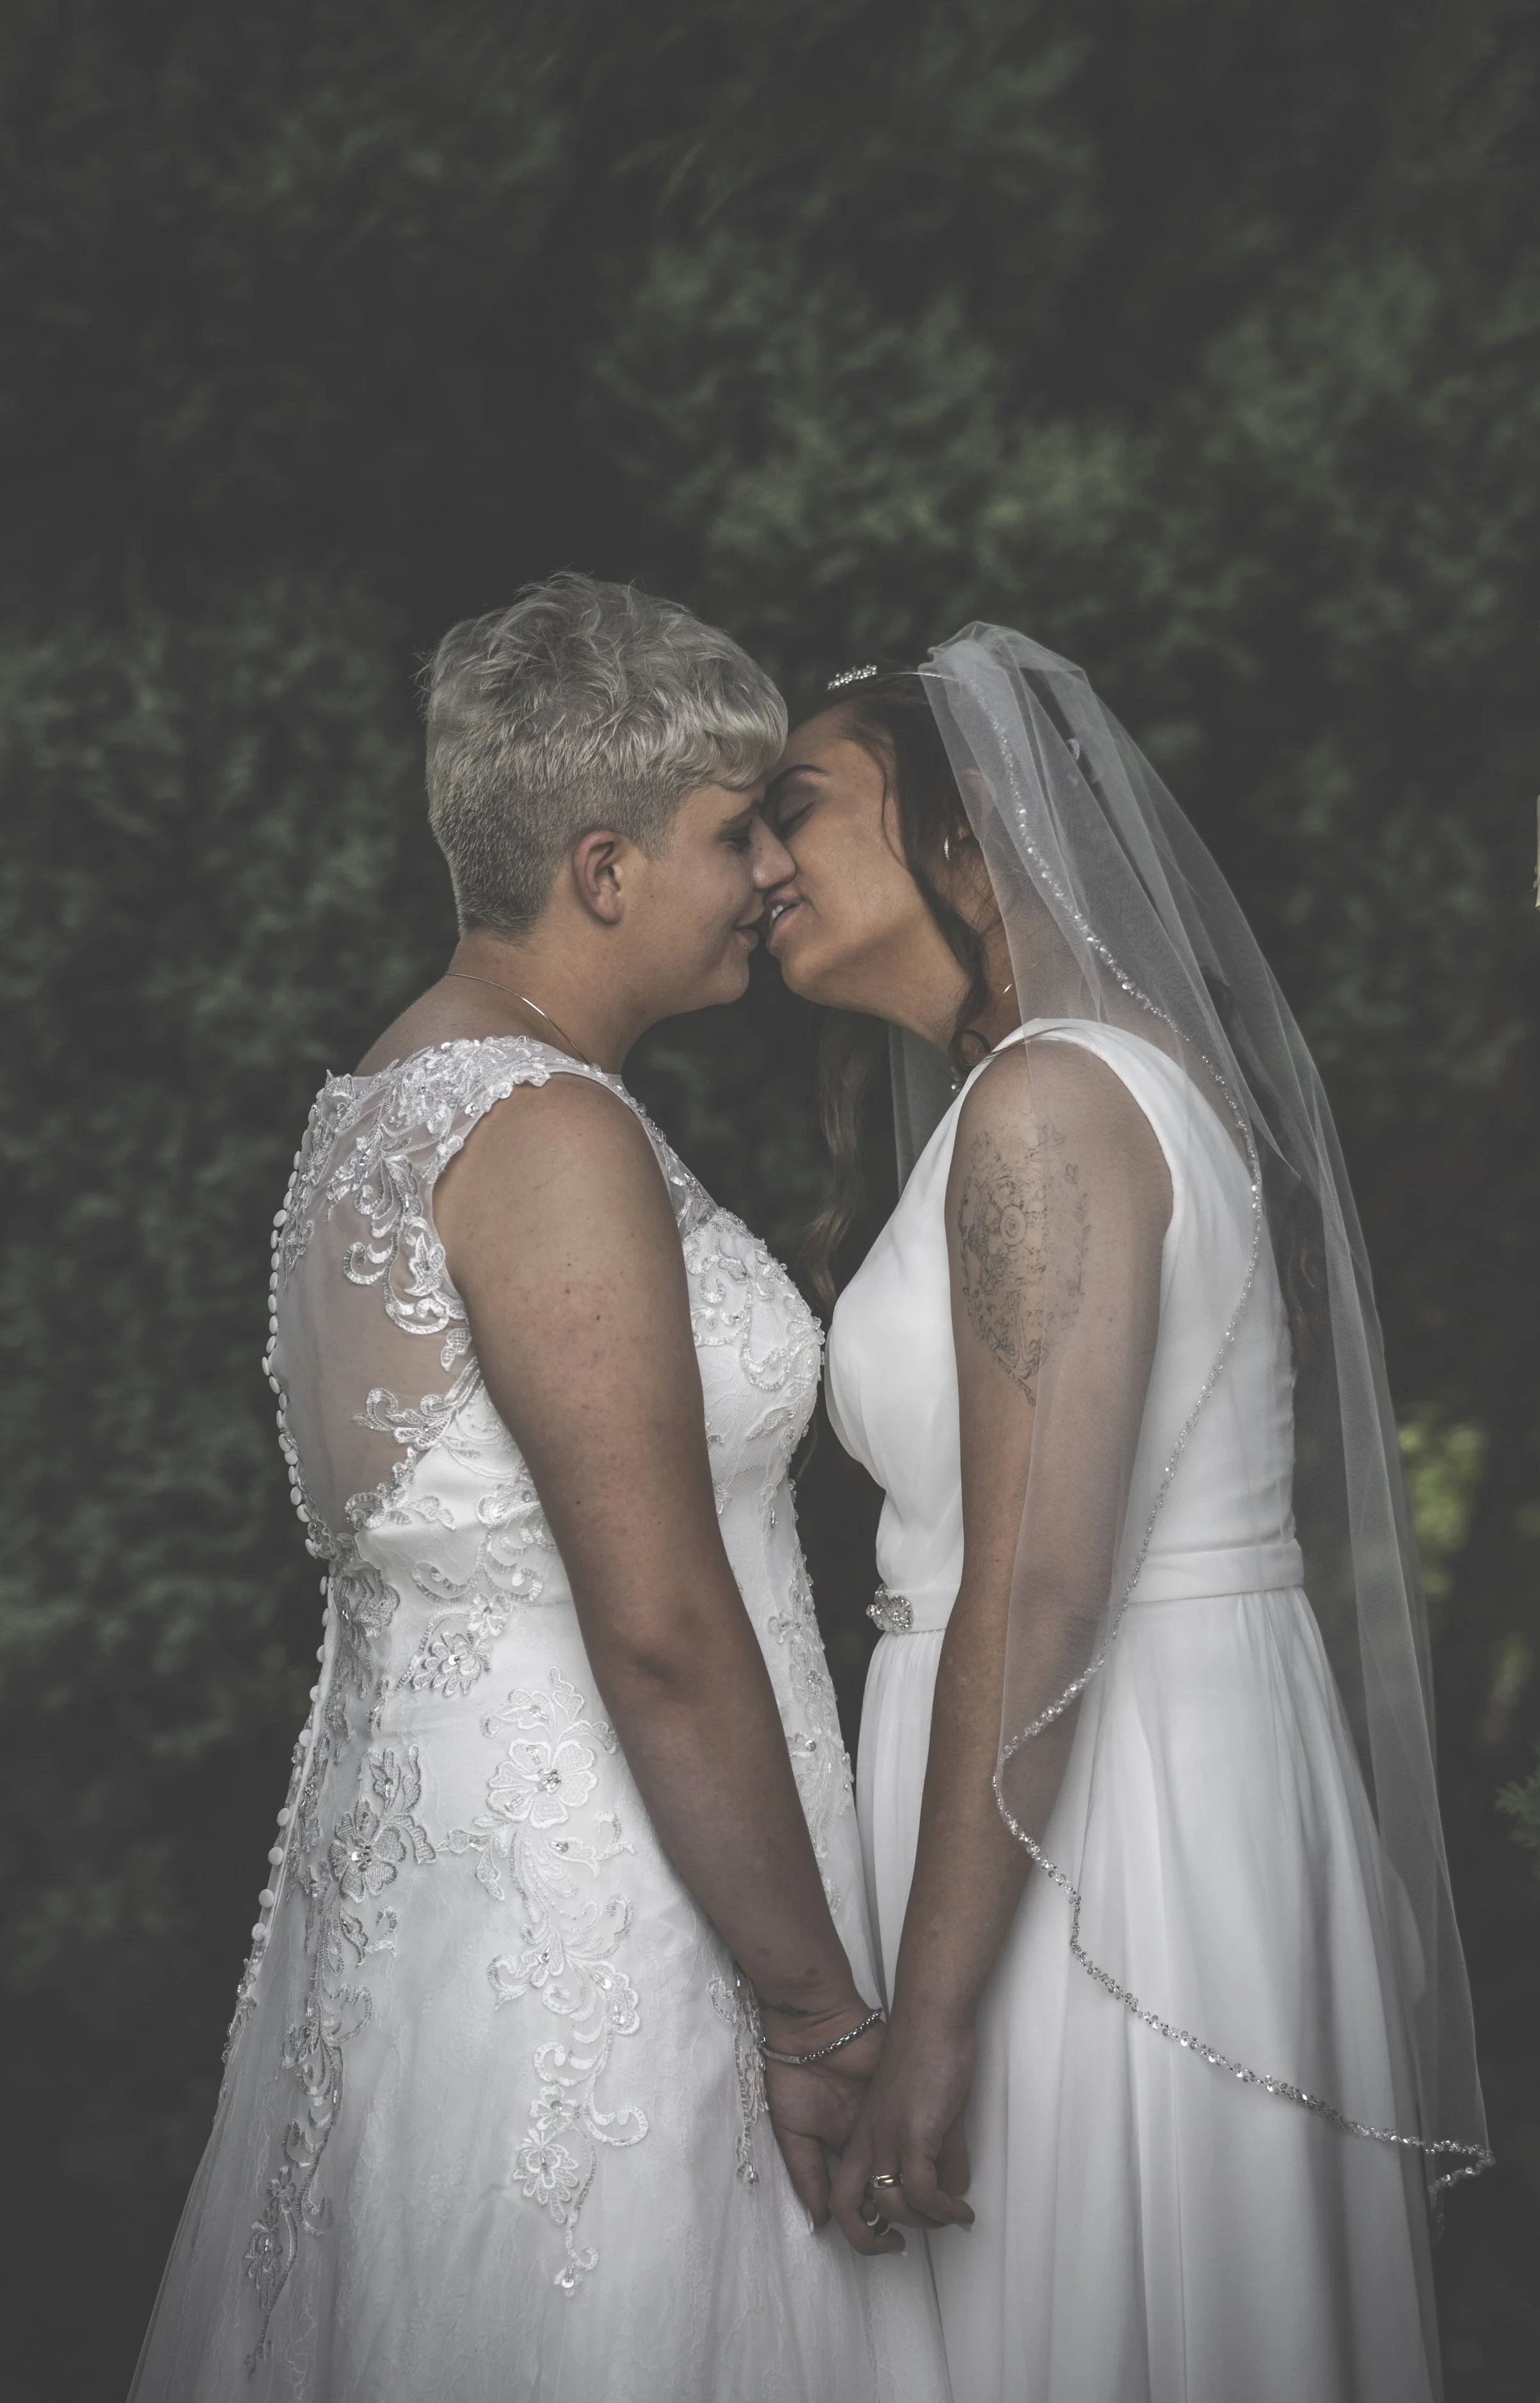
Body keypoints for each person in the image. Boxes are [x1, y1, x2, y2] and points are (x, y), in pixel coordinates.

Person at [129, 576, 950, 2403]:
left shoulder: (380, 1103)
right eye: (732, 829)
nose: (767, 872)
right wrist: (819, 2010)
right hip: (614, 1927)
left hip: (448, 1905)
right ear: (601, 865)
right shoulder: (547, 1132)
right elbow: (656, 1627)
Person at [762, 628, 1492, 2403]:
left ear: (972, 828)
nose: (759, 860)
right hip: (1132, 1771)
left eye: (799, 808)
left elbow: (1038, 1586)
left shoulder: (1044, 1101)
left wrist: (928, 2026)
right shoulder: (1101, 1076)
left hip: (1098, 1830)